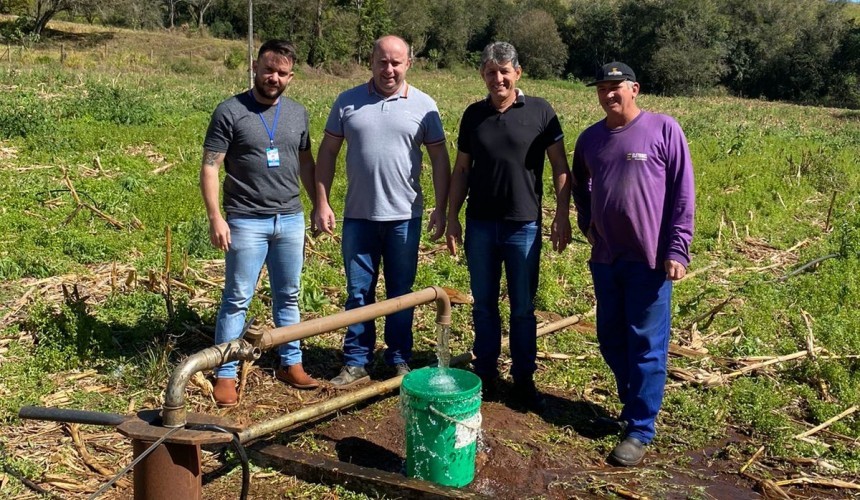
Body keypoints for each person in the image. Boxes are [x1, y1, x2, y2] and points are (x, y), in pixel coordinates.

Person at [571, 62, 695, 466]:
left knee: (646, 344)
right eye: (602, 88)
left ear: (634, 89)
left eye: (616, 87)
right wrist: (587, 225)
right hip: (607, 258)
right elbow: (580, 186)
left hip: (650, 259)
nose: (609, 94)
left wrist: (678, 249)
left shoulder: (664, 129)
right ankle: (633, 403)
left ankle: (640, 428)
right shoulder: (590, 139)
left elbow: (682, 192)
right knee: (610, 337)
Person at [314, 35, 451, 388]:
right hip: (359, 216)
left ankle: (398, 357)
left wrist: (441, 207)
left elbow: (439, 158)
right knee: (358, 292)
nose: (388, 69)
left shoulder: (424, 105)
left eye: (396, 63)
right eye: (382, 62)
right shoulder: (347, 102)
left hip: (404, 217)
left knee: (401, 292)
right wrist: (322, 201)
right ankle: (356, 360)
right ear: (371, 62)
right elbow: (327, 152)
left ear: (408, 64)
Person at [446, 41, 572, 413]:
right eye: (490, 72)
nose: (497, 78)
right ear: (482, 75)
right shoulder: (473, 115)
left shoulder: (541, 111)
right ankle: (486, 373)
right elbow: (462, 170)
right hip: (481, 225)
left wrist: (561, 213)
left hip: (524, 226)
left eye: (504, 71)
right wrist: (452, 217)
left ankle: (523, 378)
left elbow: (560, 167)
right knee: (484, 305)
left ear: (517, 72)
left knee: (522, 308)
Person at [201, 39, 320, 407]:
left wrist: (320, 203)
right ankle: (225, 373)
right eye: (269, 69)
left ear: (291, 77)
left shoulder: (298, 114)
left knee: (289, 294)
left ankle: (291, 363)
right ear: (255, 67)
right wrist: (216, 217)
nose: (274, 78)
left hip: (290, 218)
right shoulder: (230, 111)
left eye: (282, 73)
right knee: (237, 298)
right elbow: (210, 166)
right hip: (246, 220)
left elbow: (306, 162)